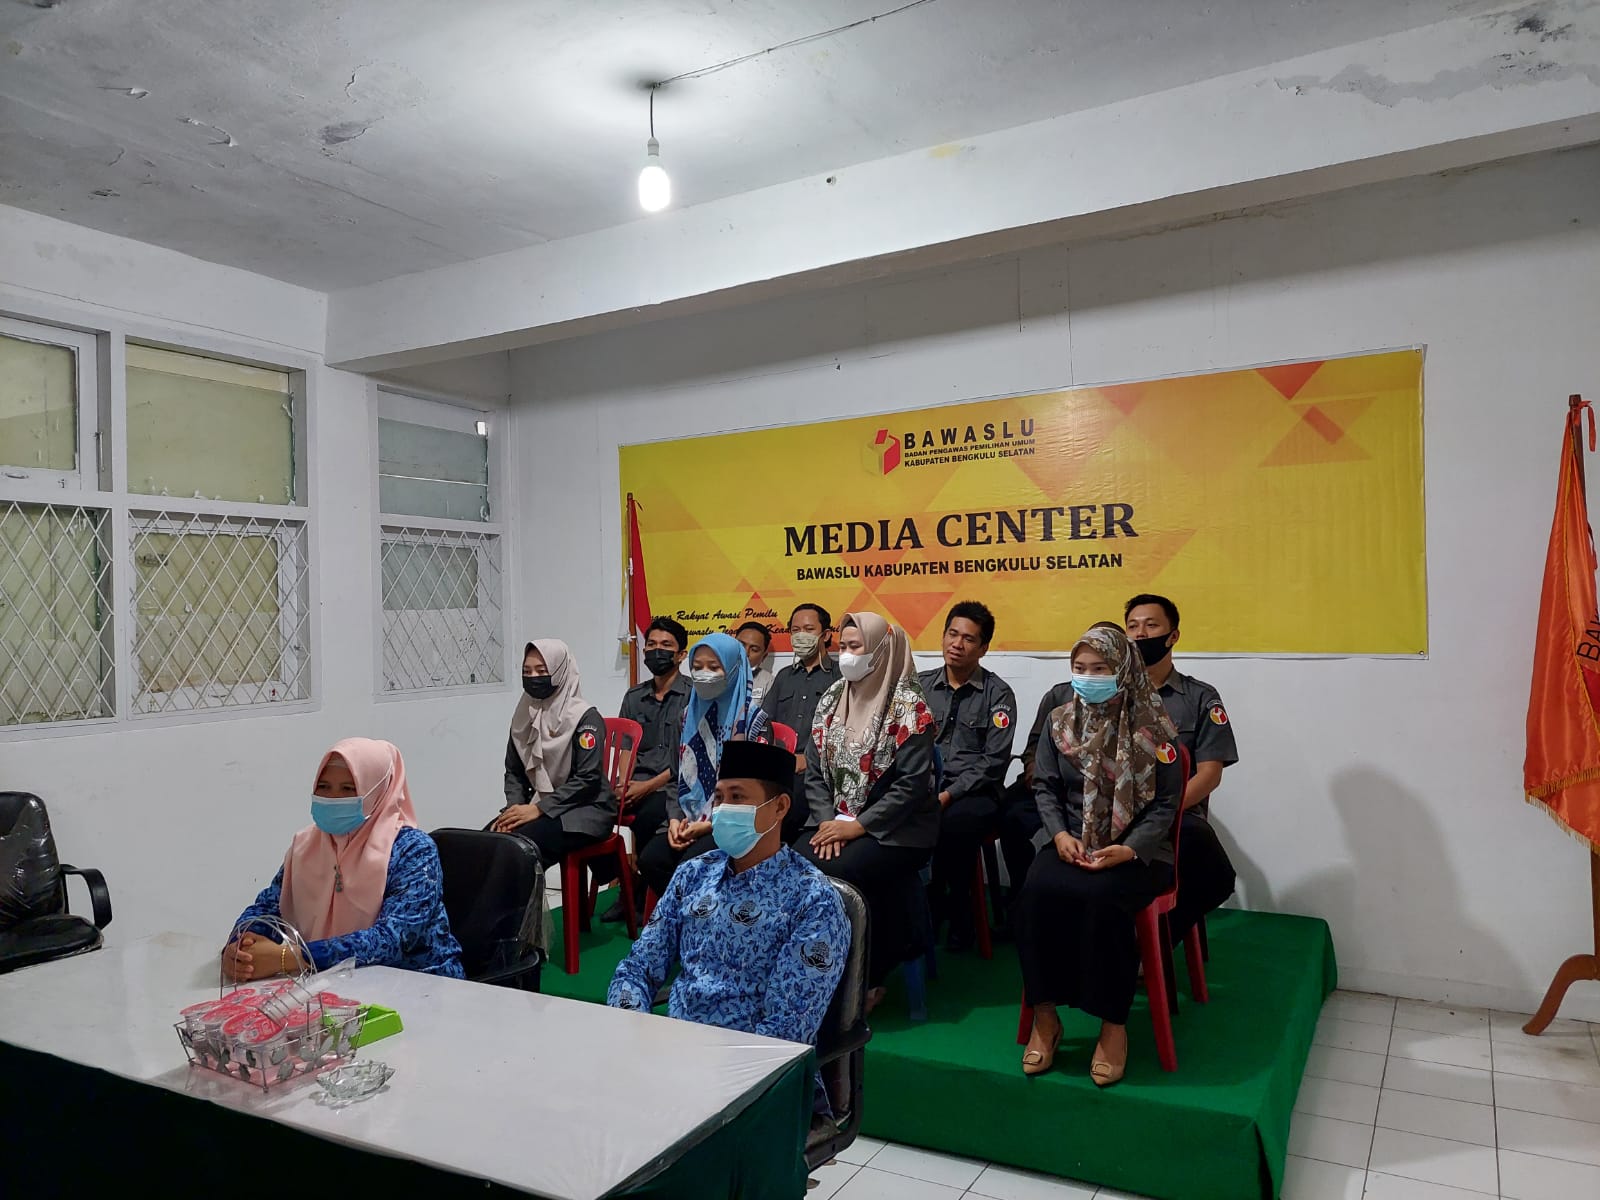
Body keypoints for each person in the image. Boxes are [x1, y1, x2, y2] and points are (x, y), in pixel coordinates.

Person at [607, 740, 849, 1055]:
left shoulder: (813, 900)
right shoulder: (693, 875)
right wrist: (631, 1031)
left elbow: (786, 1031)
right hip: (673, 1052)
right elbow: (638, 967)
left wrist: (706, 1068)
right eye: (719, 798)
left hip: (753, 1069)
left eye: (737, 797)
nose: (723, 810)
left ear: (779, 807)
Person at [1016, 626, 1182, 1086]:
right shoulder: (1060, 722)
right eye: (1080, 668)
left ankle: (1113, 1025)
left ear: (1123, 670)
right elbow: (1045, 786)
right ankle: (1045, 1017)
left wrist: (1129, 848)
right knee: (1034, 893)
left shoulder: (1156, 728)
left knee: (1104, 900)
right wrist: (1059, 835)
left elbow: (1166, 804)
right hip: (1070, 839)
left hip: (1138, 849)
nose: (1088, 677)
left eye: (1101, 668)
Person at [224, 738, 464, 980]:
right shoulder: (306, 845)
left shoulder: (412, 850)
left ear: (377, 792)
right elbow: (268, 905)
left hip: (421, 981)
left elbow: (393, 939)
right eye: (324, 787)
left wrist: (292, 957)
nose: (333, 798)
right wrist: (242, 946)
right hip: (328, 980)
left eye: (348, 789)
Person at [798, 612, 939, 1001]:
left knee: (843, 869)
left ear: (880, 651)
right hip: (835, 822)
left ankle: (867, 976)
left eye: (855, 647)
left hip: (899, 829)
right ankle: (811, 965)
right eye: (842, 646)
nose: (846, 655)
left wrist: (858, 826)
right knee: (794, 863)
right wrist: (827, 822)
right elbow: (814, 772)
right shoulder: (832, 698)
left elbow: (911, 786)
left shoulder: (910, 708)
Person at [1125, 593, 1239, 943]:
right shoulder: (1111, 693)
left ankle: (1155, 944)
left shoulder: (1200, 697)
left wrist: (1163, 812)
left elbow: (1209, 774)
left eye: (1151, 625)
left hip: (1178, 812)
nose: (1141, 634)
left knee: (1216, 873)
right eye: (1133, 627)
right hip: (1118, 811)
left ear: (1173, 635)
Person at [637, 632, 771, 897]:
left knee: (693, 867)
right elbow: (676, 778)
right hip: (690, 816)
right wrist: (675, 819)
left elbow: (760, 792)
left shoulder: (754, 722)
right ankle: (688, 916)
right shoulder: (686, 716)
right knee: (651, 860)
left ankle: (707, 917)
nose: (703, 675)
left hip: (737, 822)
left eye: (713, 667)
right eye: (697, 667)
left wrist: (711, 824)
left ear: (733, 669)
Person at [917, 601, 1016, 951]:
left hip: (975, 792)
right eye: (952, 634)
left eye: (968, 639)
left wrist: (949, 794)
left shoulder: (998, 693)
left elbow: (993, 762)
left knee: (954, 825)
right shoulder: (919, 686)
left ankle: (958, 912)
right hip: (926, 785)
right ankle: (915, 909)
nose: (956, 644)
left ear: (983, 648)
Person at [490, 640, 613, 871]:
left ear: (560, 672)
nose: (533, 677)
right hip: (538, 805)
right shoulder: (524, 715)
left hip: (585, 809)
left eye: (542, 671)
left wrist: (539, 809)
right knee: (488, 840)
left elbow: (587, 780)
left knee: (519, 849)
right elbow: (514, 772)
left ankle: (524, 898)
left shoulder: (584, 717)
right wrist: (514, 809)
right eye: (527, 671)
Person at [601, 616, 692, 924]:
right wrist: (623, 783)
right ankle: (626, 882)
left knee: (648, 815)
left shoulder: (693, 695)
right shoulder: (634, 696)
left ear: (681, 654)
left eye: (666, 645)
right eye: (651, 644)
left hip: (669, 785)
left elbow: (685, 760)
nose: (656, 651)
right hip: (634, 782)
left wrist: (647, 787)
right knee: (588, 812)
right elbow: (626, 747)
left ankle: (640, 895)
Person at [761, 603, 841, 839]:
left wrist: (808, 760)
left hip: (818, 771)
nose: (800, 636)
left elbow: (846, 733)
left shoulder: (841, 677)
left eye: (808, 629)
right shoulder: (784, 676)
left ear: (825, 635)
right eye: (795, 630)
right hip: (779, 768)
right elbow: (765, 724)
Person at [734, 620, 777, 706]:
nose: (745, 653)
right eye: (741, 645)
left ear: (763, 657)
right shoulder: (715, 672)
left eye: (754, 649)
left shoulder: (769, 683)